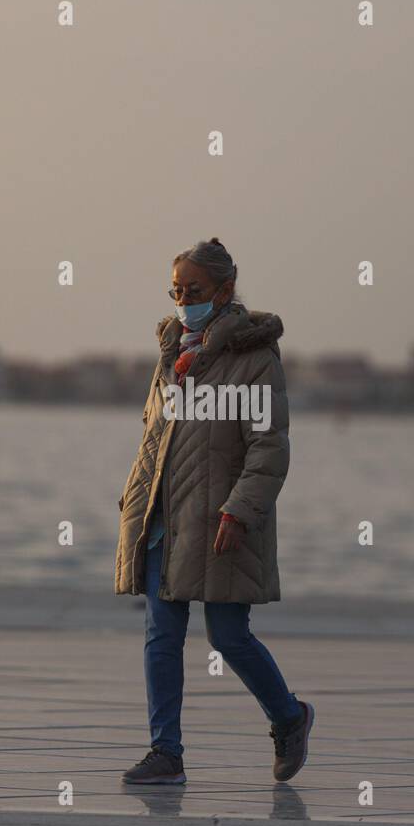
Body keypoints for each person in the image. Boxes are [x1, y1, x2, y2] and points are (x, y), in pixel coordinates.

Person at [114, 237, 313, 784]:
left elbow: (269, 446)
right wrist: (133, 499)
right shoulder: (170, 350)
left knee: (228, 636)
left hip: (221, 518)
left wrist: (239, 511)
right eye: (176, 290)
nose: (182, 300)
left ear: (225, 290)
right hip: (162, 517)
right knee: (161, 632)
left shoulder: (254, 358)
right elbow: (154, 436)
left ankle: (290, 718)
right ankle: (166, 753)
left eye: (193, 290)